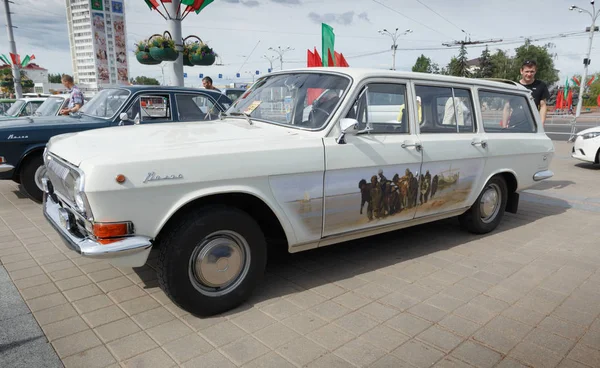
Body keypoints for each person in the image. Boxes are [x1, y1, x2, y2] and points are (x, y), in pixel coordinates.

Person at [518, 60, 550, 125]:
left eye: (532, 71)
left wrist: (541, 124)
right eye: (527, 71)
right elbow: (507, 106)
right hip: (515, 122)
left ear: (535, 71)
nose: (529, 74)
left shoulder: (541, 85)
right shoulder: (515, 85)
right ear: (521, 71)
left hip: (532, 123)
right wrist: (504, 125)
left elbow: (543, 106)